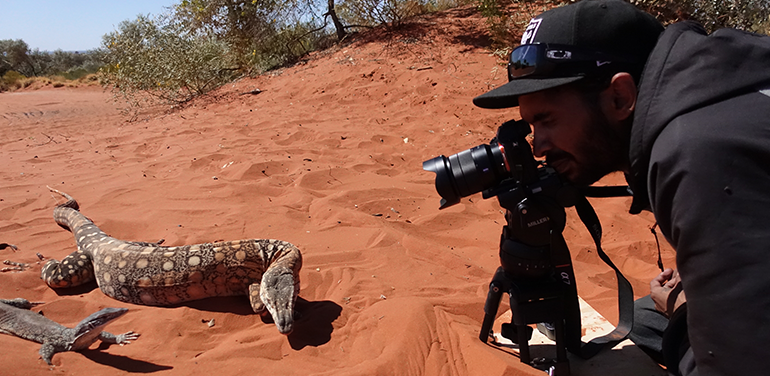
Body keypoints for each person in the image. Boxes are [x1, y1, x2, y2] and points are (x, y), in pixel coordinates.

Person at [471, 0, 770, 374]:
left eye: (546, 120)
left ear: (620, 97)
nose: (538, 145)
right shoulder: (726, 83)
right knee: (646, 318)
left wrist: (682, 310)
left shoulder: (694, 152)